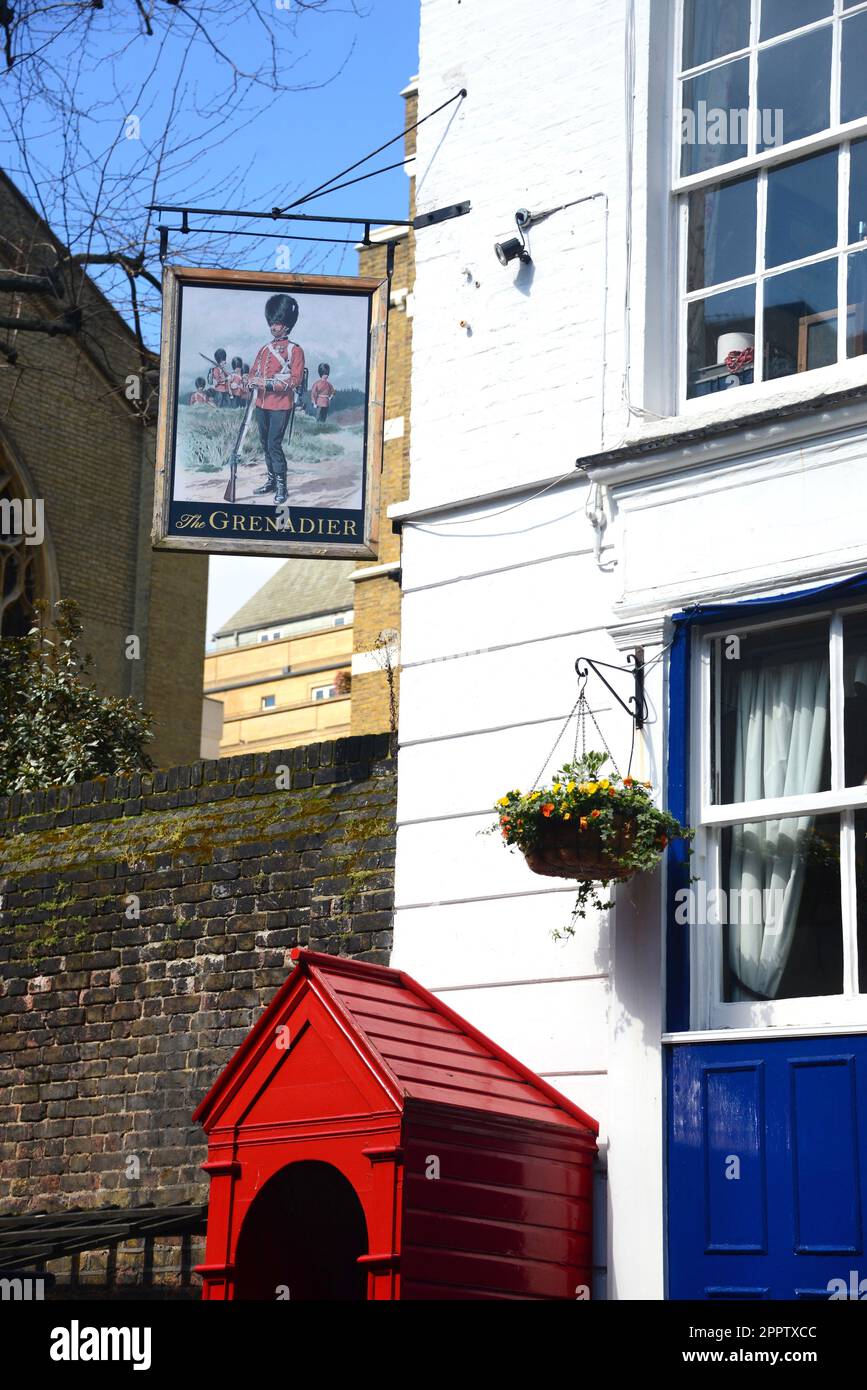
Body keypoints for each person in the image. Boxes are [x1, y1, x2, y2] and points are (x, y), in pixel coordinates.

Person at [248, 293, 305, 506]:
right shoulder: (265, 349)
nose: (274, 326)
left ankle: (282, 485)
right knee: (264, 443)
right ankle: (271, 480)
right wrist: (250, 380)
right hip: (261, 404)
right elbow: (254, 371)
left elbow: (295, 380)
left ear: (287, 325)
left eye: (278, 322)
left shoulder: (294, 350)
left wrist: (267, 384)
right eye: (272, 322)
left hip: (281, 405)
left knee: (273, 444)